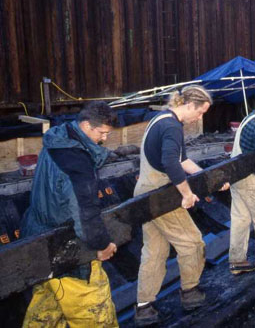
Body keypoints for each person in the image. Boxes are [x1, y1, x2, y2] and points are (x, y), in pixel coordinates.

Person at [134, 85, 229, 326]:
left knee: (154, 251)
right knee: (192, 243)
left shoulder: (161, 119)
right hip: (161, 197)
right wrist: (186, 194)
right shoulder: (171, 126)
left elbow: (183, 160)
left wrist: (210, 178)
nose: (200, 118)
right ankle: (190, 293)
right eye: (200, 112)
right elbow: (170, 163)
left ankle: (144, 307)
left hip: (144, 194)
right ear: (188, 105)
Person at [20, 101, 119, 328]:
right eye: (102, 133)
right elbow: (85, 211)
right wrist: (101, 244)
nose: (104, 140)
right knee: (95, 313)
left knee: (46, 309)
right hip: (66, 248)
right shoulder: (78, 164)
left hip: (37, 236)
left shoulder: (57, 139)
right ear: (86, 125)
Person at [229, 111, 255, 275]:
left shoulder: (251, 117)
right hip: (250, 177)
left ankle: (237, 261)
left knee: (241, 218)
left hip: (236, 173)